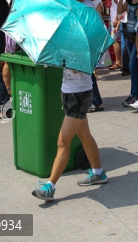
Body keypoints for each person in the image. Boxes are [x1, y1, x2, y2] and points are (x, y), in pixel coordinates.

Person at [31, 60, 108, 201]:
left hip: (79, 96)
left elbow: (88, 67)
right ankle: (98, 173)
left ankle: (50, 187)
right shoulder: (66, 46)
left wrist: (78, 65)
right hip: (69, 94)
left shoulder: (84, 48)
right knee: (85, 136)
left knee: (63, 141)